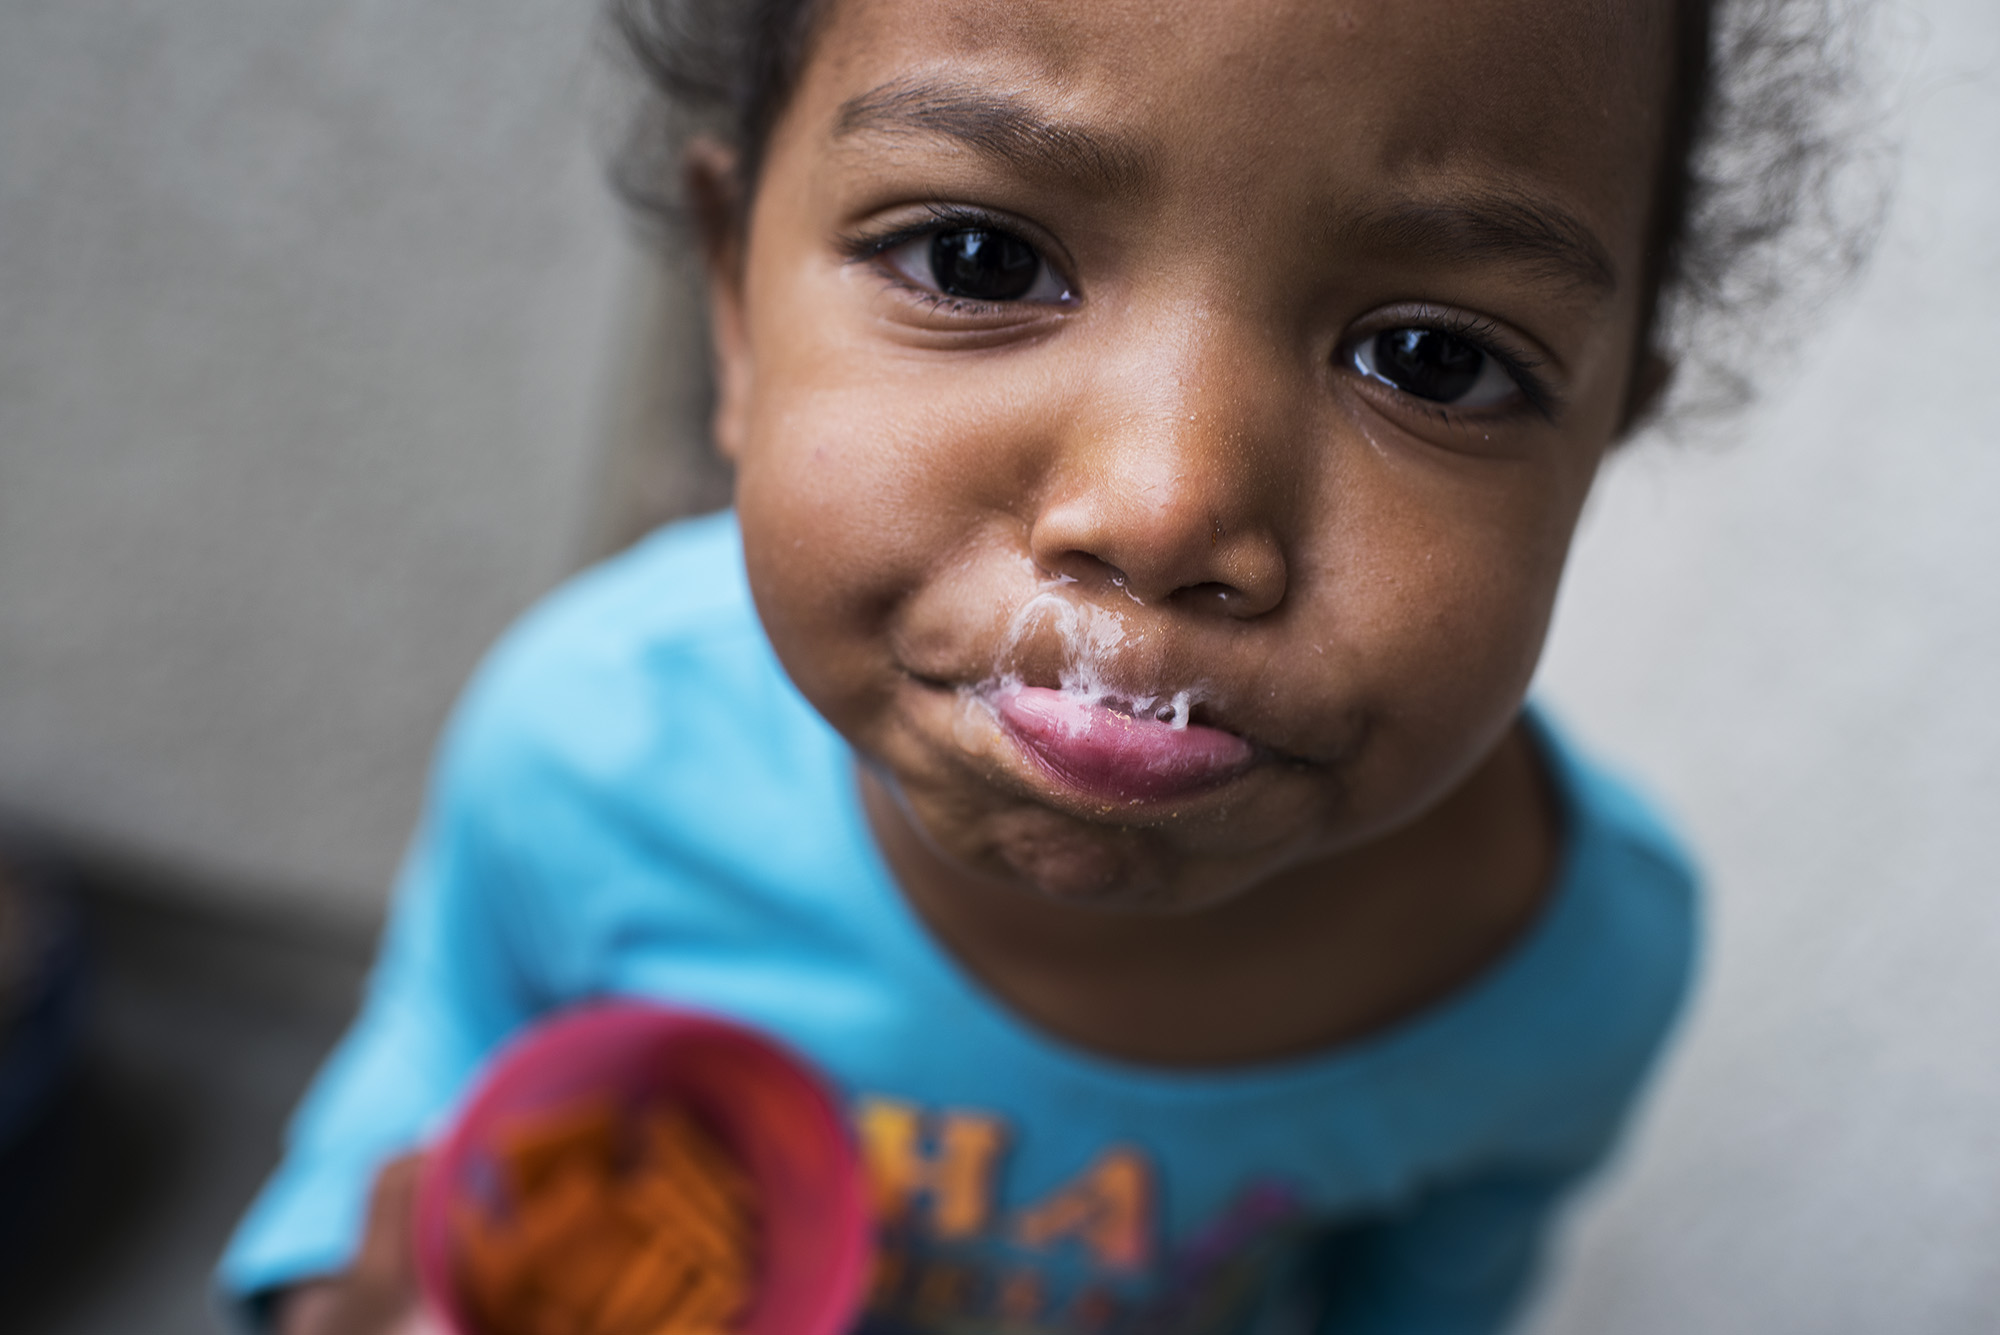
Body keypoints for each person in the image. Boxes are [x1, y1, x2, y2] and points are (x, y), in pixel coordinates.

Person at [221, 0, 1869, 1330]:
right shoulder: (592, 747)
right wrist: (346, 1294)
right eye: (978, 261)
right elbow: (434, 1062)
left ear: (1599, 441)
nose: (1164, 509)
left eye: (1433, 361)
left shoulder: (1565, 965)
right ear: (734, 302)